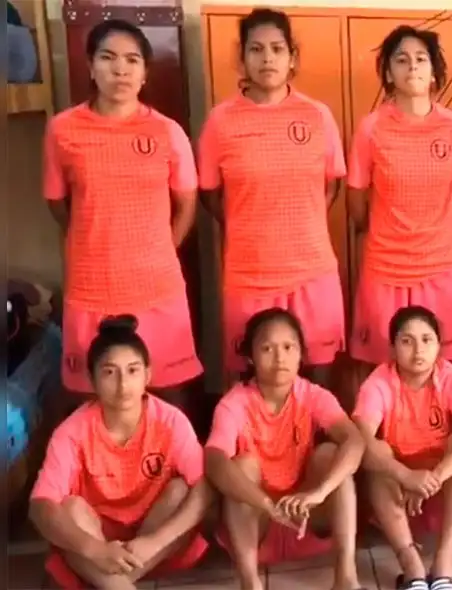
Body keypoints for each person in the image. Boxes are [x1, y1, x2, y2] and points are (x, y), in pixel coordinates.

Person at [43, 20, 201, 408]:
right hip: (92, 283)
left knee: (169, 389)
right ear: (90, 66)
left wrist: (164, 247)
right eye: (108, 58)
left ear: (145, 73)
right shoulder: (62, 130)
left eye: (132, 60)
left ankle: (177, 464)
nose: (121, 69)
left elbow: (187, 203)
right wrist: (90, 237)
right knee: (91, 394)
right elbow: (57, 202)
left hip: (157, 284)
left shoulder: (167, 131)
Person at [198, 8, 348, 391]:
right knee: (251, 378)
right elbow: (210, 194)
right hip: (250, 274)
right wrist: (248, 224)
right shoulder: (221, 121)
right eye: (257, 49)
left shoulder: (317, 116)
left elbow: (330, 185)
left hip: (312, 268)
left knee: (318, 377)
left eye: (277, 49)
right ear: (242, 57)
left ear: (292, 56)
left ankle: (321, 450)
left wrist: (299, 221)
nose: (267, 59)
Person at [29, 316, 211, 590]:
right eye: (110, 372)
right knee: (70, 508)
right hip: (96, 542)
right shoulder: (72, 431)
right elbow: (40, 507)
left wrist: (155, 542)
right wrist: (95, 550)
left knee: (180, 491)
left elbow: (206, 487)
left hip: (152, 543)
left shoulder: (171, 421)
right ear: (91, 379)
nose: (123, 385)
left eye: (133, 371)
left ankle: (110, 583)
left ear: (148, 375)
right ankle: (116, 583)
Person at [205, 308, 366, 590]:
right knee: (242, 466)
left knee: (330, 455)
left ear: (301, 353)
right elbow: (214, 460)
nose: (279, 358)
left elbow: (355, 441)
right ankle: (250, 583)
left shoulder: (313, 395)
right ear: (251, 357)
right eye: (267, 348)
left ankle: (346, 578)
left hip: (307, 521)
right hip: (258, 526)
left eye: (288, 347)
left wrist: (320, 493)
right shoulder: (235, 402)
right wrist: (266, 504)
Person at [346, 25, 452, 371]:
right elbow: (356, 199)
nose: (413, 67)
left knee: (443, 366)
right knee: (379, 365)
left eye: (421, 59)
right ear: (388, 72)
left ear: (434, 71)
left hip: (439, 265)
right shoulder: (371, 128)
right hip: (384, 266)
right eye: (401, 60)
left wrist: (431, 232)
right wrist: (381, 232)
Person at [352, 306, 452, 590]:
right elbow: (360, 440)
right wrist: (405, 476)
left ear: (439, 345)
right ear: (392, 347)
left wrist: (434, 475)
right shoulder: (378, 383)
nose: (418, 350)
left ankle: (444, 566)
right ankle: (411, 567)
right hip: (396, 481)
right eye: (406, 341)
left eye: (427, 340)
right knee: (378, 453)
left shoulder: (451, 378)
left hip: (440, 477)